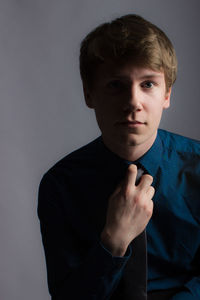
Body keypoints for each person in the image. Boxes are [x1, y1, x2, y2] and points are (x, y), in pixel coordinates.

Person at [38, 14, 200, 299]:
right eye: (115, 85)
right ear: (89, 94)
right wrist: (114, 240)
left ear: (167, 95)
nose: (133, 102)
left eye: (148, 84)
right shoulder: (60, 185)